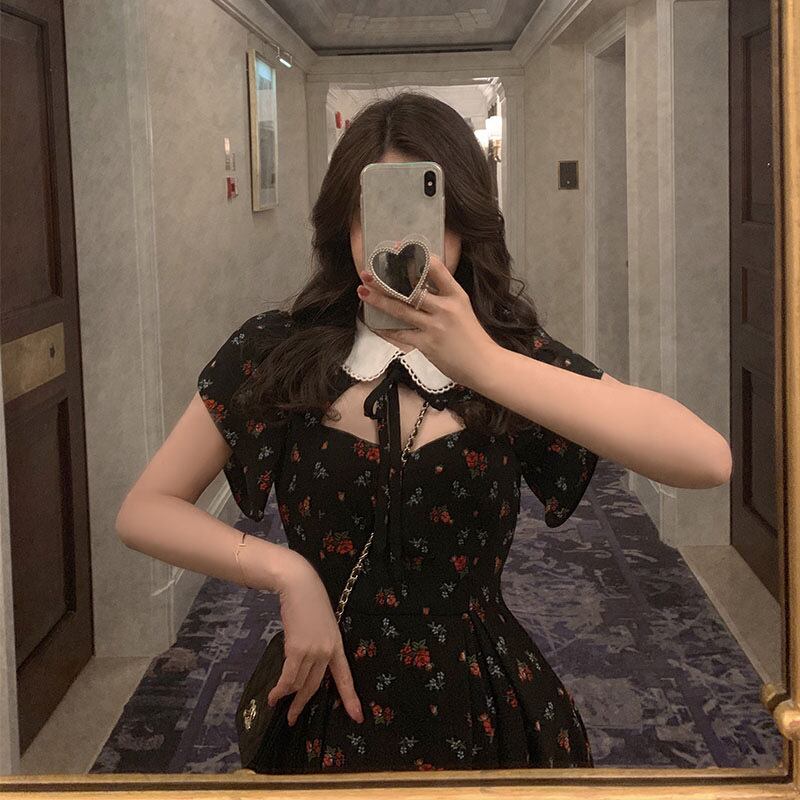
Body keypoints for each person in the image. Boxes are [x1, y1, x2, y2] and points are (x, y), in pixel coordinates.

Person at [116, 92, 733, 773]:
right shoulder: (276, 351)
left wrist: (487, 365)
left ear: (461, 223)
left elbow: (706, 459)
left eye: (427, 216)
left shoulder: (509, 358)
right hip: (323, 695)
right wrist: (286, 573)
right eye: (374, 213)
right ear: (344, 224)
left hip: (478, 702)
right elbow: (144, 508)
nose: (400, 243)